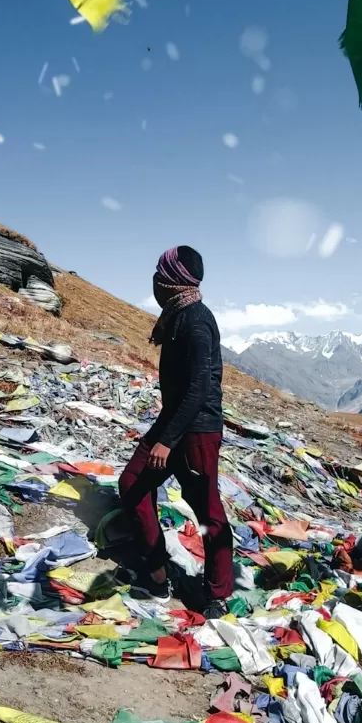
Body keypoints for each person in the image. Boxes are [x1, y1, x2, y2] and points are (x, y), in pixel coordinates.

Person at [118, 245, 234, 613]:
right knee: (132, 484)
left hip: (196, 431)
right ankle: (156, 575)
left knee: (208, 512)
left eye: (160, 273)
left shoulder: (195, 321)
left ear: (173, 281)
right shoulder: (178, 316)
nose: (155, 279)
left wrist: (167, 441)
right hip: (174, 421)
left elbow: (200, 388)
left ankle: (217, 593)